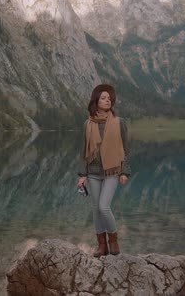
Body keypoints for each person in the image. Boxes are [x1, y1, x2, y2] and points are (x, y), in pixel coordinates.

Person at [77, 84, 131, 257]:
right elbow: (83, 150)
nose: (108, 100)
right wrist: (82, 174)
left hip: (112, 172)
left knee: (103, 207)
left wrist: (124, 171)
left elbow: (126, 148)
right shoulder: (88, 124)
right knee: (95, 209)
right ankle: (102, 246)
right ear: (96, 101)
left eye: (109, 98)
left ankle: (113, 240)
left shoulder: (119, 122)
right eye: (104, 98)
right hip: (92, 173)